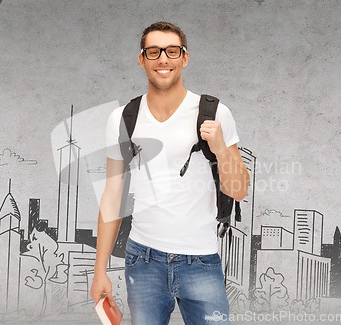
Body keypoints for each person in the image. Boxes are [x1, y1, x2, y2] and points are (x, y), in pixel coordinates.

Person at [90, 21, 249, 324]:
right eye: (154, 51)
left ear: (184, 58)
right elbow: (112, 197)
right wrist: (100, 272)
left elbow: (239, 190)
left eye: (172, 51)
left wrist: (220, 147)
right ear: (142, 59)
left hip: (200, 261)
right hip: (143, 261)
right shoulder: (123, 118)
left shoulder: (215, 113)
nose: (163, 59)